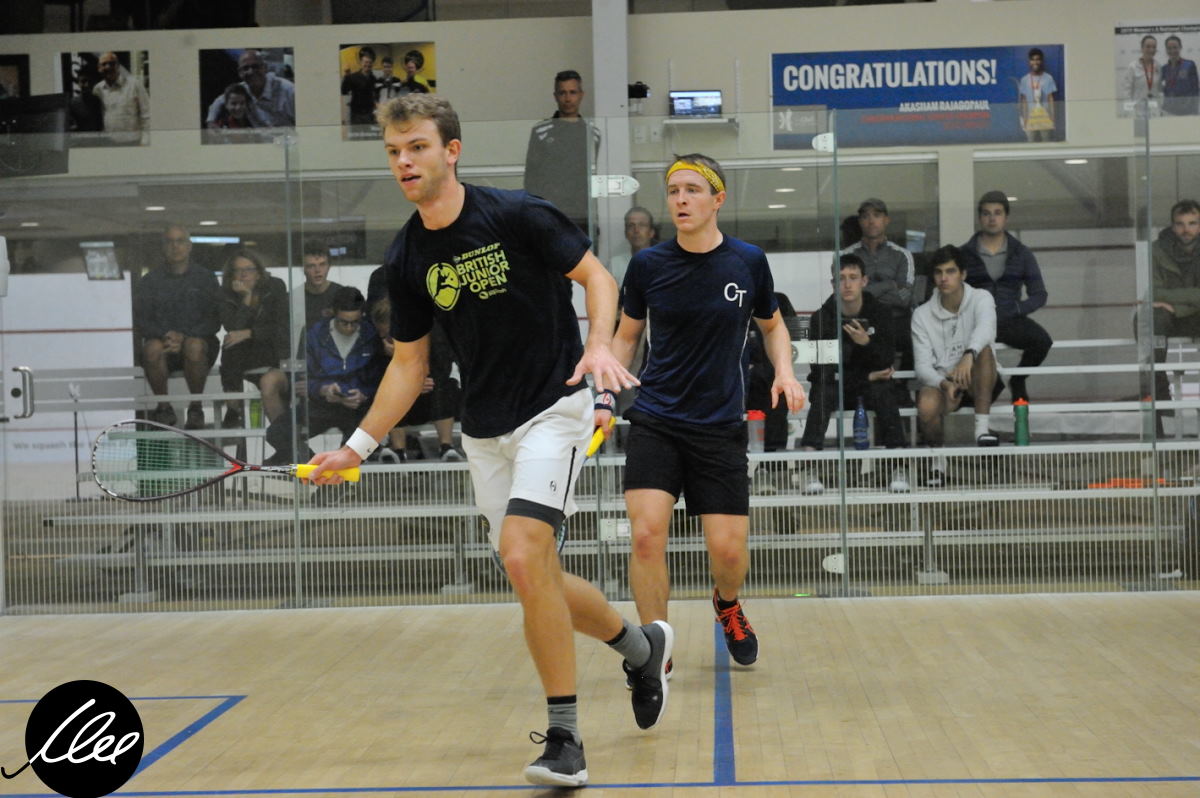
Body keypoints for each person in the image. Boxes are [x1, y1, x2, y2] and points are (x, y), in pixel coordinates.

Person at [305, 94, 671, 788]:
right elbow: (409, 368)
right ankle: (639, 648)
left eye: (415, 147)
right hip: (485, 430)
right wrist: (355, 447)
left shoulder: (517, 214)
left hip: (554, 409)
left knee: (521, 550)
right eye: (393, 152)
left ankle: (564, 737)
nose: (404, 162)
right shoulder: (407, 256)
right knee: (536, 572)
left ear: (452, 150)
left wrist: (598, 349)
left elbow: (598, 277)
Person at [611, 153, 805, 673]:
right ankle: (656, 649)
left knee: (727, 555)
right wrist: (605, 397)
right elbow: (626, 337)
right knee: (648, 533)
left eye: (693, 190)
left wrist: (785, 371)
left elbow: (772, 325)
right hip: (656, 420)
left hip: (720, 428)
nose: (681, 200)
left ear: (718, 200)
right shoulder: (648, 265)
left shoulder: (747, 261)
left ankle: (726, 604)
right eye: (674, 191)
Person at [798, 254, 907, 494]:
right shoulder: (821, 318)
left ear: (864, 281)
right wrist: (866, 375)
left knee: (885, 390)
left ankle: (898, 464)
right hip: (837, 386)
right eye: (841, 278)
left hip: (868, 387)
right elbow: (821, 370)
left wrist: (866, 343)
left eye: (853, 278)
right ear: (833, 283)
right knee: (823, 391)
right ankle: (808, 465)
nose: (847, 284)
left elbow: (886, 363)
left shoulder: (881, 313)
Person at [912, 245, 1000, 479]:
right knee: (926, 406)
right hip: (945, 382)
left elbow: (985, 328)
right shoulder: (921, 315)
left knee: (983, 351)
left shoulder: (982, 298)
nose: (944, 278)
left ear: (963, 274)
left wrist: (968, 355)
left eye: (950, 271)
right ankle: (937, 462)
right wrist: (945, 383)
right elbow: (922, 367)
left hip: (980, 376)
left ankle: (981, 431)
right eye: (939, 272)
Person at [269, 286, 382, 464]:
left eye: (355, 322)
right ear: (333, 313)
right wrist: (322, 390)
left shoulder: (371, 334)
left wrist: (364, 394)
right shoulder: (314, 334)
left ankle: (333, 477)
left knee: (359, 440)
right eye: (344, 322)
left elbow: (381, 376)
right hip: (322, 404)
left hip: (359, 407)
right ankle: (318, 468)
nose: (350, 327)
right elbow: (302, 378)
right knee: (277, 432)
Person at [960, 190, 1052, 403]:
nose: (992, 218)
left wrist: (1017, 309)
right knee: (983, 370)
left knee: (1042, 341)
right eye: (986, 213)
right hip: (975, 323)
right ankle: (982, 412)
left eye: (997, 213)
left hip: (1009, 320)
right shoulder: (963, 253)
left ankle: (1018, 379)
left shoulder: (1022, 253)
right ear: (979, 218)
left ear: (1006, 217)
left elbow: (1039, 294)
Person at [133, 225, 221, 430]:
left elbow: (214, 319)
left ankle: (196, 407)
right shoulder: (150, 281)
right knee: (151, 348)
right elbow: (142, 319)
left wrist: (185, 337)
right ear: (163, 247)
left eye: (180, 241)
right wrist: (165, 336)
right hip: (163, 344)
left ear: (189, 246)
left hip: (199, 345)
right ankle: (164, 408)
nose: (175, 246)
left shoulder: (206, 278)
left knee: (194, 346)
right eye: (170, 241)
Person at [368, 297, 462, 461]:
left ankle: (446, 447)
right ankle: (398, 450)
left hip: (431, 396)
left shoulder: (431, 331)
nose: (384, 336)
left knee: (445, 386)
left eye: (388, 332)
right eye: (381, 332)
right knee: (390, 391)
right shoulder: (380, 343)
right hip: (403, 401)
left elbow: (443, 366)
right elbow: (374, 375)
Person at [841, 198, 915, 399]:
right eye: (865, 216)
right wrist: (889, 284)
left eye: (876, 215)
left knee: (915, 335)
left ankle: (900, 386)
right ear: (859, 222)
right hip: (858, 319)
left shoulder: (902, 255)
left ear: (886, 220)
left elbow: (904, 297)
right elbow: (847, 295)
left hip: (894, 320)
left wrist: (865, 291)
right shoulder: (845, 256)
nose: (871, 221)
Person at [216, 249, 290, 431]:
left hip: (271, 349)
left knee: (235, 342)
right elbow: (233, 326)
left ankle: (233, 406)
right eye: (238, 270)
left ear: (258, 271)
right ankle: (233, 405)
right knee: (230, 342)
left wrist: (250, 333)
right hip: (243, 354)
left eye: (248, 269)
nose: (244, 274)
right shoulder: (226, 293)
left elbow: (280, 326)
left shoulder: (275, 287)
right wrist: (246, 299)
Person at [523, 69, 601, 232]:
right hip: (550, 214)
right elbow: (531, 179)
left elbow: (595, 175)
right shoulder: (541, 131)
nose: (568, 98)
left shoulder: (592, 133)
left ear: (581, 95)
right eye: (562, 93)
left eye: (572, 92)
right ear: (555, 96)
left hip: (583, 214)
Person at [1147, 199, 1200, 417]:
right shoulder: (1156, 250)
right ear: (1171, 225)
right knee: (1153, 319)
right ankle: (1160, 401)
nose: (1186, 229)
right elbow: (1155, 293)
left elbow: (1162, 294)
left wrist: (1176, 307)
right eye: (1180, 223)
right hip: (1169, 318)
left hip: (1182, 314)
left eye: (1192, 223)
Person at [205, 50, 295, 130]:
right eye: (245, 68)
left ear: (265, 68)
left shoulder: (288, 90)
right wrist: (211, 122)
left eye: (255, 66)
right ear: (240, 73)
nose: (251, 71)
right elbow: (217, 102)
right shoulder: (241, 89)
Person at [94, 52, 150, 145]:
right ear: (99, 68)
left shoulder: (135, 85)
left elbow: (147, 115)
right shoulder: (98, 89)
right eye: (104, 64)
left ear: (118, 66)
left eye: (112, 63)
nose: (108, 67)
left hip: (133, 143)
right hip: (109, 143)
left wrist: (145, 141)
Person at [296, 243, 343, 332]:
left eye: (322, 264)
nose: (317, 270)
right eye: (311, 266)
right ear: (303, 269)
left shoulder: (343, 295)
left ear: (329, 266)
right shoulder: (293, 299)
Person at [608, 206, 659, 285]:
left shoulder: (663, 263)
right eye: (631, 225)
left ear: (651, 232)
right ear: (625, 233)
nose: (636, 230)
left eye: (642, 225)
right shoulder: (614, 265)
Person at [1017, 48, 1057, 142]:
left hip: (1045, 117)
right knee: (1031, 143)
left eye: (1038, 59)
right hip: (1031, 118)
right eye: (1033, 59)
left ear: (1041, 61)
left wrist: (1052, 118)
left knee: (1046, 142)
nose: (1035, 62)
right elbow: (1024, 101)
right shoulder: (1024, 80)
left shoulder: (1048, 78)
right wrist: (1025, 118)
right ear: (1029, 62)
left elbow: (1050, 99)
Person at [1123, 35, 1163, 115]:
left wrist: (1160, 109)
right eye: (1148, 46)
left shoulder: (1158, 66)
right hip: (1137, 112)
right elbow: (1126, 92)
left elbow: (1159, 91)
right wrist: (1129, 112)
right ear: (1142, 48)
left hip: (1154, 111)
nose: (1151, 49)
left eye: (1154, 47)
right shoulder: (1133, 67)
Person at [341, 46, 379, 130]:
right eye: (365, 62)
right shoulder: (352, 77)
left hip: (370, 114)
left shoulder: (374, 79)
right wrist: (346, 76)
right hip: (356, 115)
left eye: (369, 62)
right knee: (356, 137)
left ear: (372, 64)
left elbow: (375, 95)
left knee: (368, 137)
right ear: (361, 63)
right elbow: (344, 90)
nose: (367, 64)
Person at [1162, 35, 1200, 117]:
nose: (1172, 50)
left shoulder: (1189, 65)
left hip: (1188, 112)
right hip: (1169, 112)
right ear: (1166, 50)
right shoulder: (1164, 69)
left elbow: (1195, 90)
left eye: (1175, 47)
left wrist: (1195, 112)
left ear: (1180, 47)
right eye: (1169, 48)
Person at [68, 65, 104, 135]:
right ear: (78, 83)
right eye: (83, 81)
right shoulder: (72, 104)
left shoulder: (100, 102)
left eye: (90, 81)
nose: (87, 85)